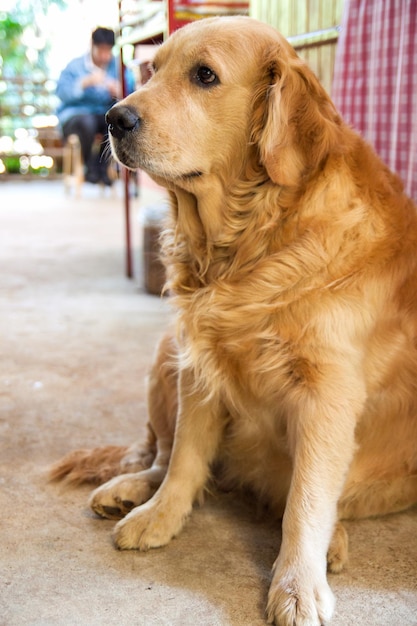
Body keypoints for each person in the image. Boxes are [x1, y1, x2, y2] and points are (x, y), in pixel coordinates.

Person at [56, 27, 135, 185]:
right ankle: (89, 167)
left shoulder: (118, 67)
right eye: (101, 50)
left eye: (108, 51)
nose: (105, 56)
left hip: (102, 114)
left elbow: (131, 92)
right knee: (87, 122)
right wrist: (83, 83)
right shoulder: (75, 66)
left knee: (112, 121)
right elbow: (61, 92)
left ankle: (101, 169)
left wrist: (119, 90)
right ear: (92, 46)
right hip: (75, 116)